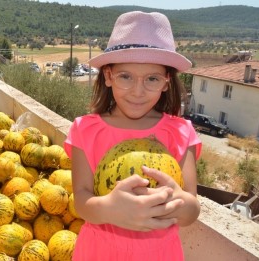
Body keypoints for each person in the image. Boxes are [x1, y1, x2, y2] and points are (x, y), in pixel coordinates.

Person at [64, 11, 202, 260]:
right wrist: (108, 208)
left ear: (166, 82)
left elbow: (192, 210)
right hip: (98, 252)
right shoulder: (85, 130)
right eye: (125, 76)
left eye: (152, 78)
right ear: (108, 76)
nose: (138, 91)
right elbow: (82, 202)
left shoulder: (181, 132)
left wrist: (177, 200)